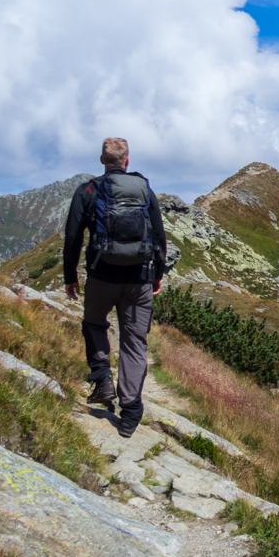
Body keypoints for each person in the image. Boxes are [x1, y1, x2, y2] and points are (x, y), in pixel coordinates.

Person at [63, 137, 167, 438]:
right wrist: (157, 274)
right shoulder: (145, 190)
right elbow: (159, 237)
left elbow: (72, 238)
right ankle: (131, 411)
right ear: (127, 160)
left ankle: (102, 379)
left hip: (101, 276)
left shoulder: (88, 191)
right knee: (134, 341)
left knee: (94, 323)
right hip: (139, 279)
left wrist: (71, 276)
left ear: (101, 160)